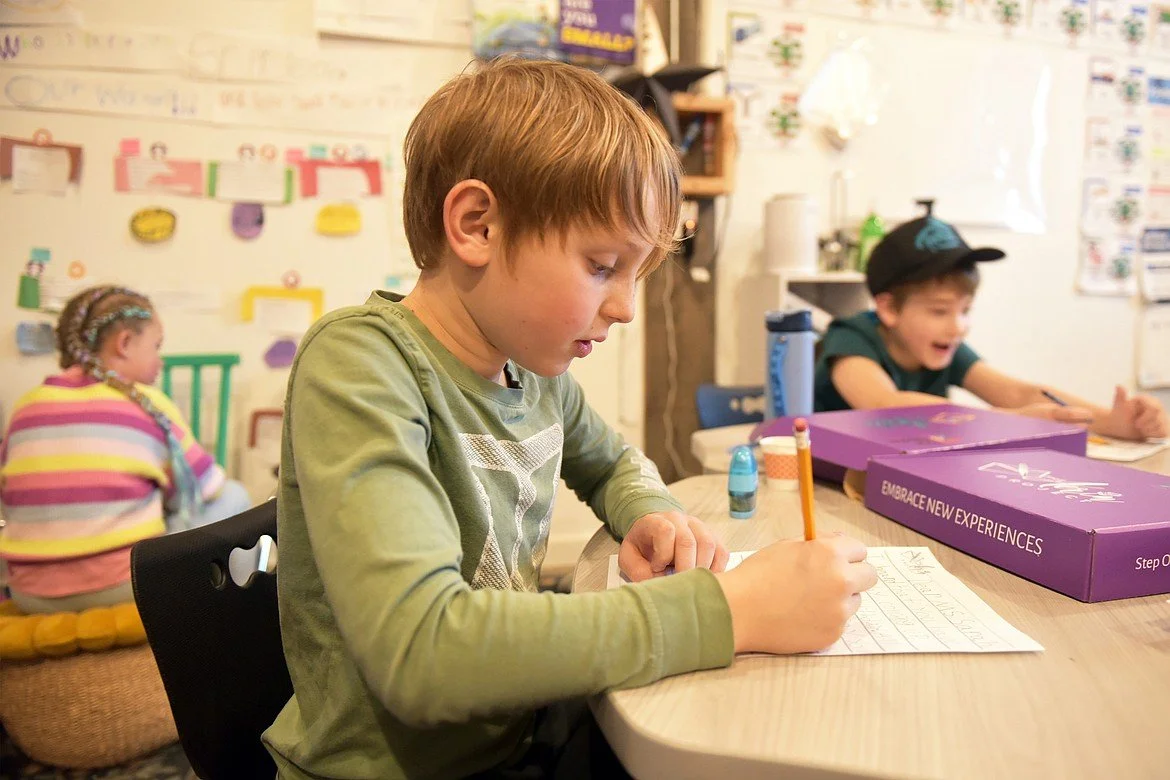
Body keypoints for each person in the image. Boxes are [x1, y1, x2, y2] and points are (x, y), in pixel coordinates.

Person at [263, 57, 878, 780]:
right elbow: (422, 652)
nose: (625, 308)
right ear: (477, 226)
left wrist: (651, 512)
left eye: (637, 274)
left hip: (516, 736)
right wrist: (731, 610)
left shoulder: (532, 370)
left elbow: (613, 463)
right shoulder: (362, 364)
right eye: (602, 265)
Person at [814, 205, 1168, 442]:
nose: (958, 327)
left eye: (966, 310)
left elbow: (1018, 393)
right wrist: (1008, 421)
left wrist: (1113, 422)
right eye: (939, 311)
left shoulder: (943, 344)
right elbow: (882, 403)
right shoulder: (850, 336)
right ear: (889, 309)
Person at [0, 285, 251, 614]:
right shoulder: (146, 403)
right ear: (124, 343)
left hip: (29, 593)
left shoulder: (26, 406)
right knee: (234, 495)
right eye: (156, 346)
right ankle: (230, 612)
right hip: (123, 586)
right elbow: (205, 488)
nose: (160, 360)